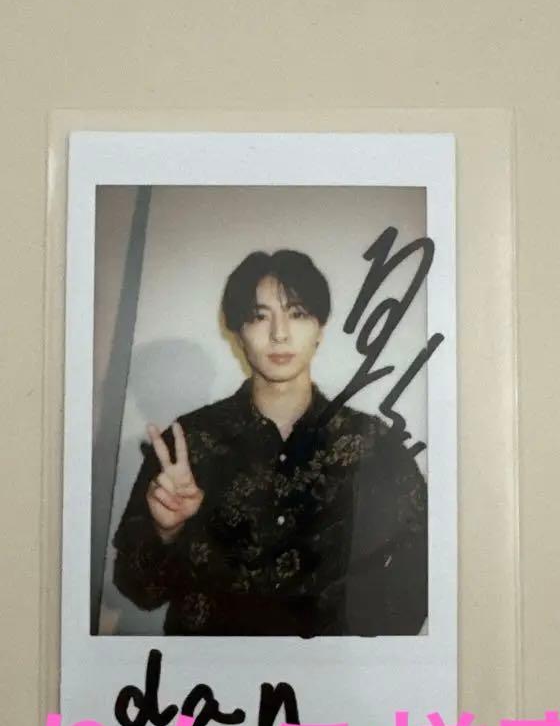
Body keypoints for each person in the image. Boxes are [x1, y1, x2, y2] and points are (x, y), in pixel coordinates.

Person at [111, 249, 428, 636]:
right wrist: (167, 532)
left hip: (328, 669)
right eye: (259, 316)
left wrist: (360, 643)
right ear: (237, 333)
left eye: (297, 313)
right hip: (210, 669)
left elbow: (426, 562)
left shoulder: (371, 442)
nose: (279, 333)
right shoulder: (187, 443)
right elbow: (138, 591)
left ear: (320, 328)